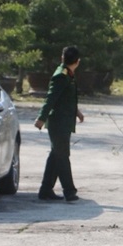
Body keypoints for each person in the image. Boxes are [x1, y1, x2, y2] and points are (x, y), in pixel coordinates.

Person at [35, 46, 84, 202]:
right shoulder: (61, 76)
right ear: (78, 62)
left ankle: (45, 189)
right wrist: (41, 117)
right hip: (58, 123)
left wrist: (77, 111)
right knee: (62, 156)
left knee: (56, 155)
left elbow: (66, 97)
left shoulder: (68, 74)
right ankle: (69, 191)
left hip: (64, 121)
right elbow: (51, 98)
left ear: (63, 58)